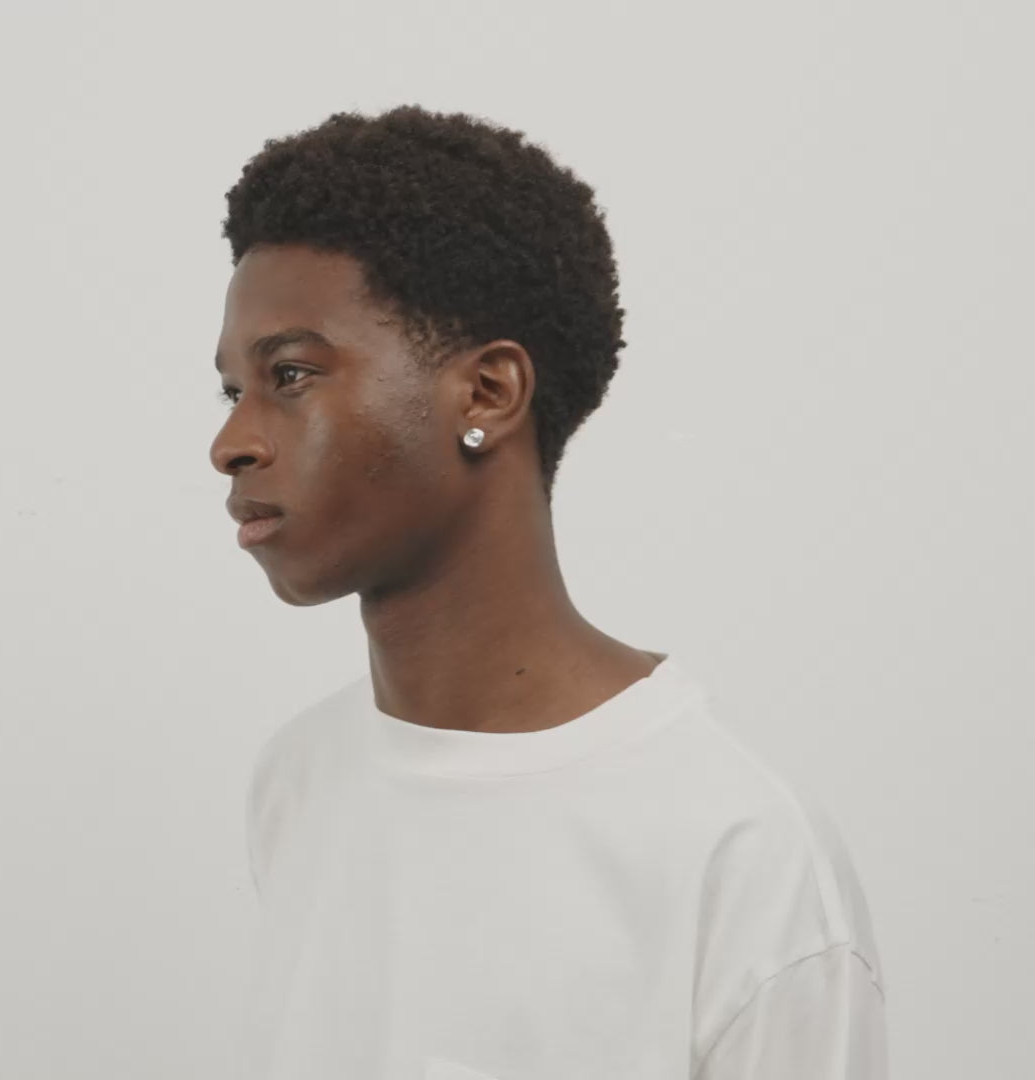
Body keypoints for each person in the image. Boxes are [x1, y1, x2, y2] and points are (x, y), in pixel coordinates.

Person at [210, 104, 888, 1079]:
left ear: (488, 394)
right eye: (231, 390)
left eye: (290, 374)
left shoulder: (740, 856)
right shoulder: (299, 777)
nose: (231, 441)